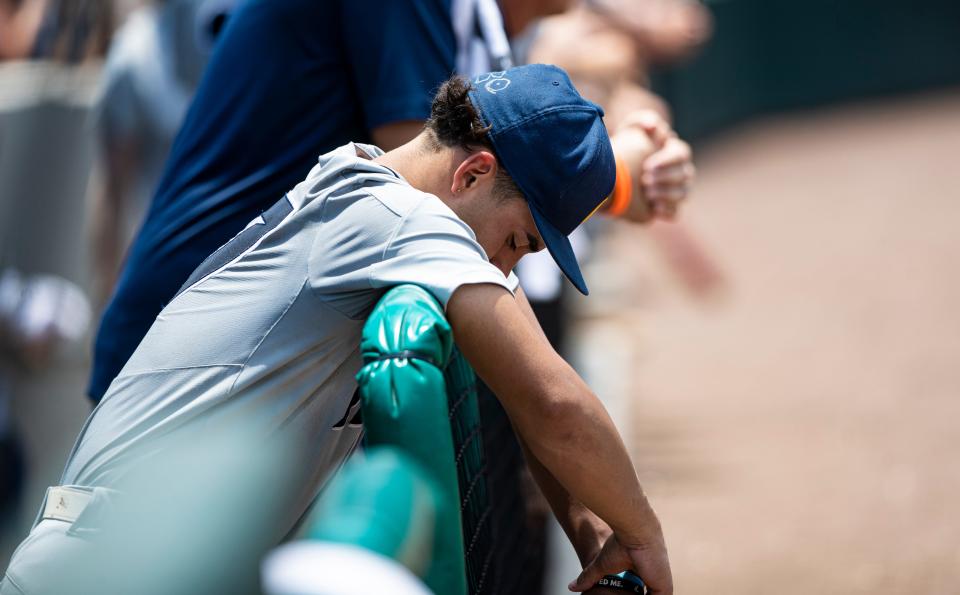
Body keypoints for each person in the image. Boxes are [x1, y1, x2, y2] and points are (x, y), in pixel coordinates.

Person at [2, 65, 673, 595]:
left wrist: (593, 534)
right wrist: (643, 534)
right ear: (473, 173)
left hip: (135, 549)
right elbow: (553, 401)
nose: (507, 267)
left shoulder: (373, 193)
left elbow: (533, 402)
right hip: (116, 558)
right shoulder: (402, 218)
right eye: (518, 240)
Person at [87, 0, 694, 404]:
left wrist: (608, 177)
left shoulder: (483, 20)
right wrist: (609, 178)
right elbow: (437, 201)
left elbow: (476, 183)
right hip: (194, 362)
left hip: (264, 359)